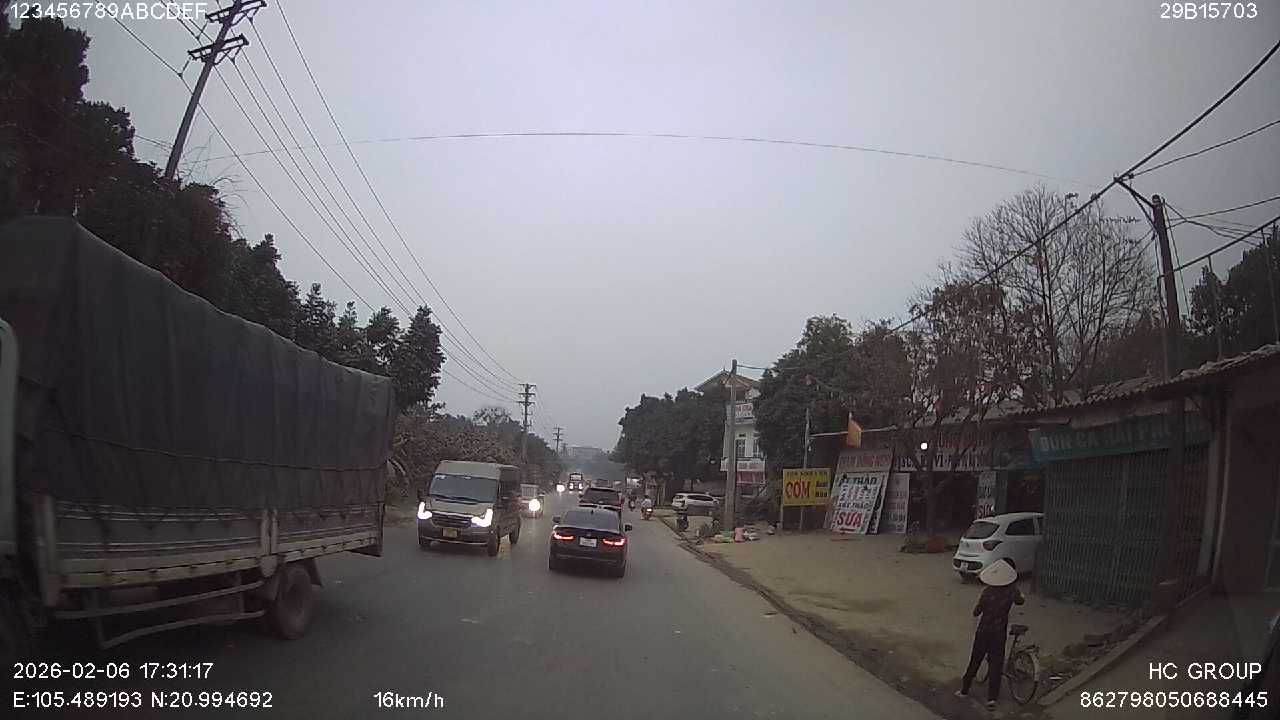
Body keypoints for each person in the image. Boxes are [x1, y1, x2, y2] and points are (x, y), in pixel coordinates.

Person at [957, 559, 1024, 710]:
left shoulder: (988, 592)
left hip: (983, 631)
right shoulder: (1012, 591)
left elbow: (977, 611)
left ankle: (964, 690)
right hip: (999, 633)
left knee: (975, 660)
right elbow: (1020, 601)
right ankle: (992, 699)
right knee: (996, 665)